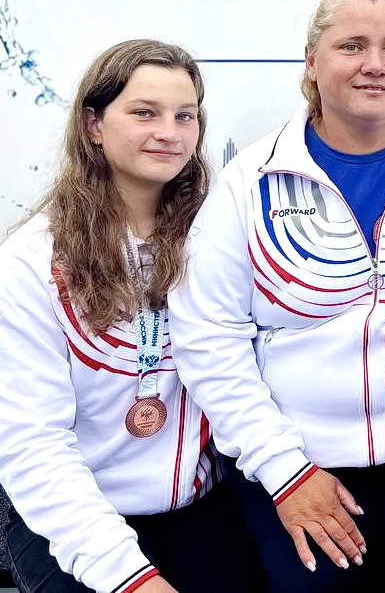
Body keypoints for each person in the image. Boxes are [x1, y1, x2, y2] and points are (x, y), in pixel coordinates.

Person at [168, 0, 385, 592]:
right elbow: (208, 336)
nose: (375, 64)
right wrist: (285, 472)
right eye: (352, 46)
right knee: (319, 584)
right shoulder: (250, 181)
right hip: (296, 446)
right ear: (312, 61)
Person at [0, 40, 261, 593]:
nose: (170, 133)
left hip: (196, 507)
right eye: (145, 113)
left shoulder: (219, 234)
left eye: (184, 116)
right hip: (69, 517)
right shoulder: (30, 260)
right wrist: (129, 578)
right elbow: (33, 444)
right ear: (93, 125)